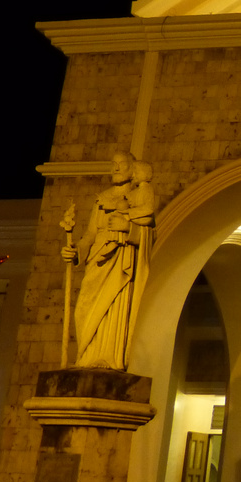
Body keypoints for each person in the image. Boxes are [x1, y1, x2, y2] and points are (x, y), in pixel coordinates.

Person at [65, 151, 154, 369]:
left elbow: (149, 234)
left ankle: (107, 360)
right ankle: (85, 357)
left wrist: (129, 228)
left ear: (132, 169)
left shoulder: (139, 196)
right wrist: (75, 250)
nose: (115, 168)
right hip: (98, 259)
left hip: (122, 257)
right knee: (84, 308)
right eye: (113, 164)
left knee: (114, 306)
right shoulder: (101, 199)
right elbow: (90, 235)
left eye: (121, 164)